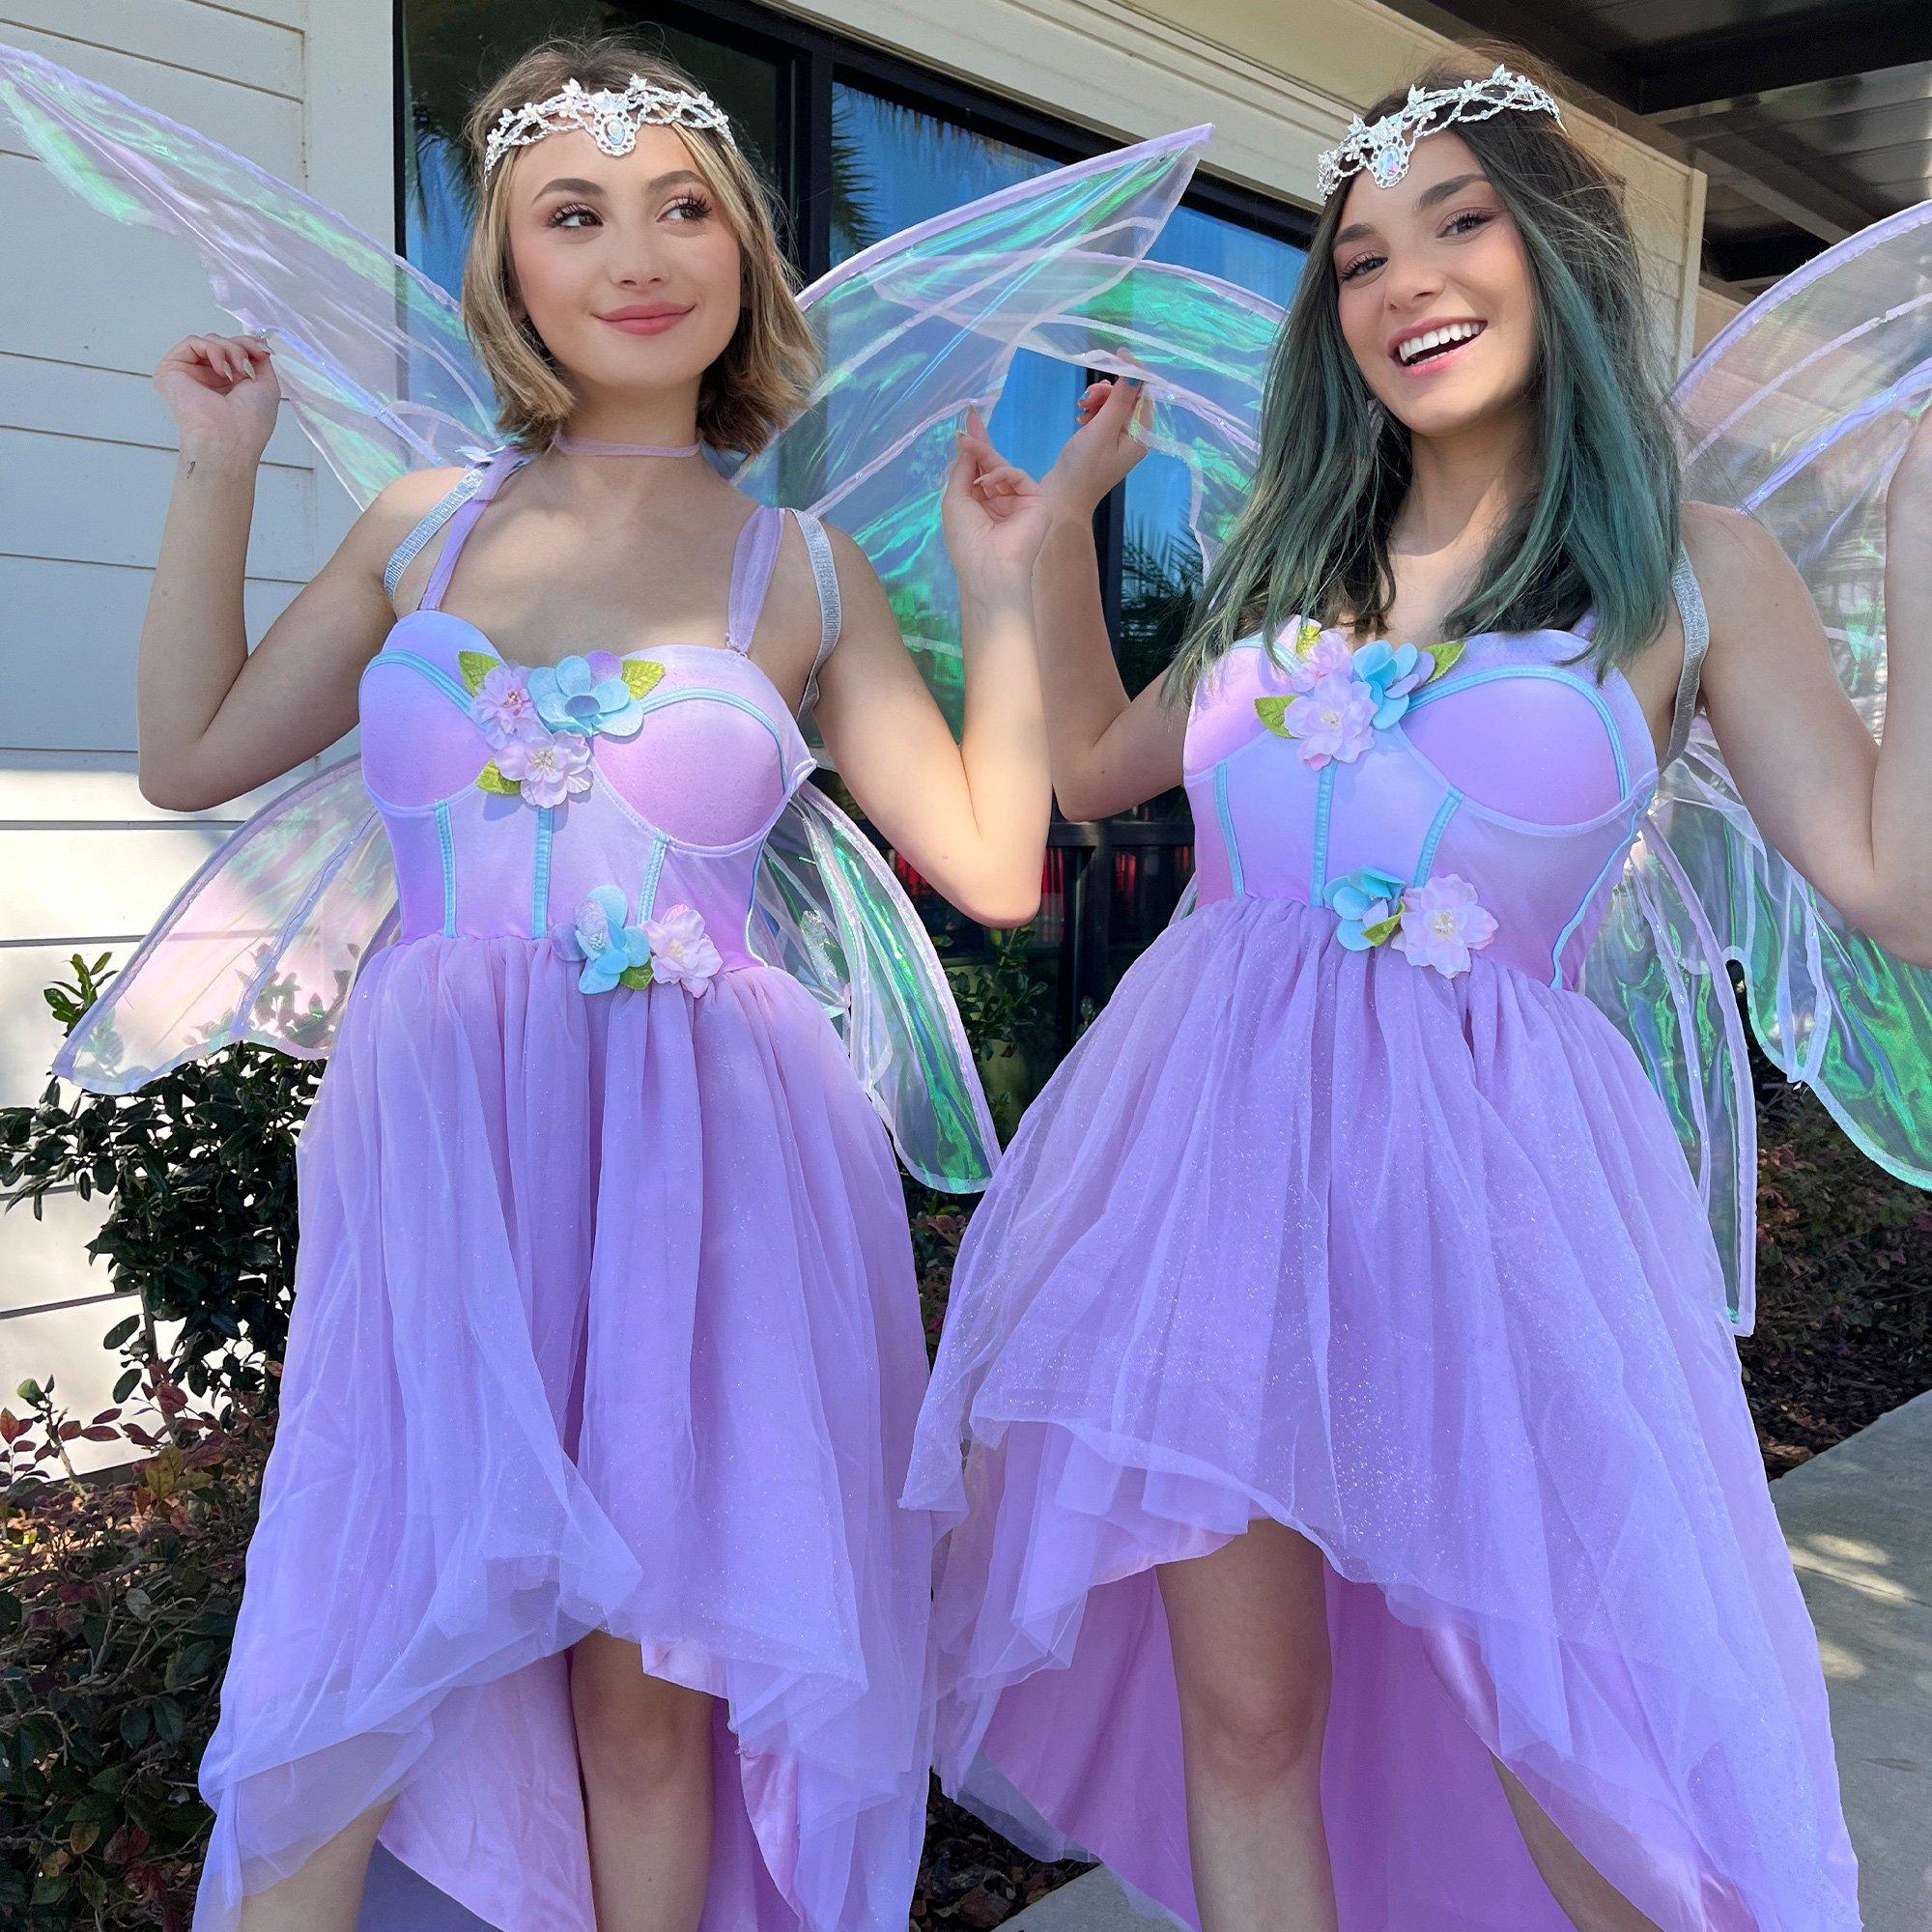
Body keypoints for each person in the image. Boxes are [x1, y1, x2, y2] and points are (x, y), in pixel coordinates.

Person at [907, 47, 1924, 1932]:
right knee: (1247, 1716)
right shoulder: (1288, 554)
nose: (1407, 283)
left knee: (1581, 1737)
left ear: (1562, 254)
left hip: (1490, 1220)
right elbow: (1098, 773)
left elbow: (1895, 883)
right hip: (1212, 1187)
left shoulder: (1684, 566)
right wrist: (1044, 547)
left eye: (1459, 223)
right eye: (1361, 255)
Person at [131, 33, 1047, 1932]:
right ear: (511, 269)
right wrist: (217, 471)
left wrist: (1004, 582)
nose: (637, 254)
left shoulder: (799, 566)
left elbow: (990, 863)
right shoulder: (421, 526)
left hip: (706, 1184)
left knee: (649, 1697)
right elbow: (193, 755)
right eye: (575, 214)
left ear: (744, 253)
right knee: (360, 1627)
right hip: (444, 1160)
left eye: (682, 206)